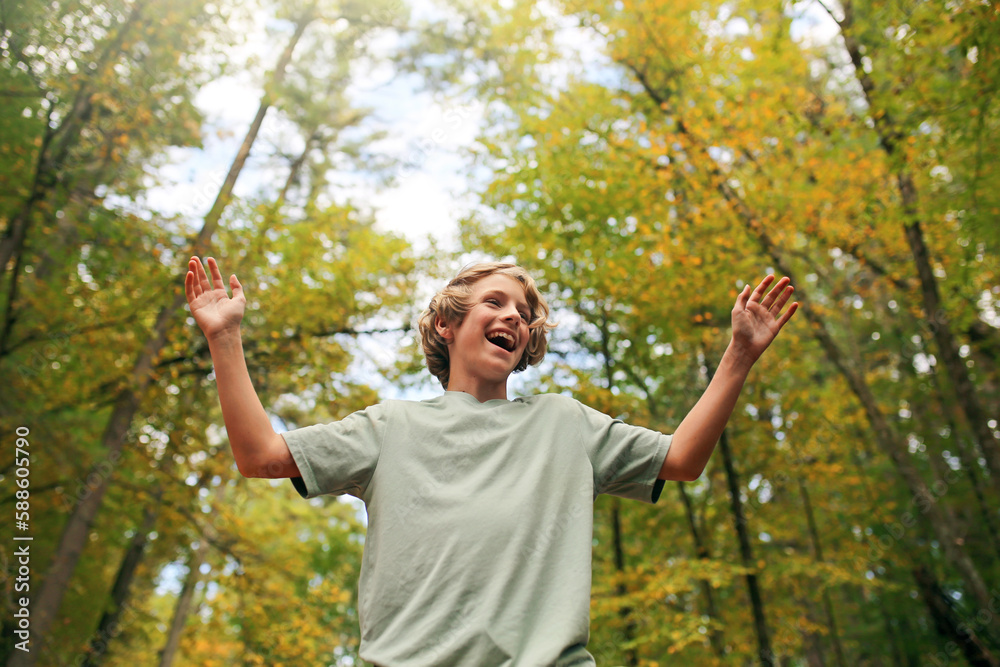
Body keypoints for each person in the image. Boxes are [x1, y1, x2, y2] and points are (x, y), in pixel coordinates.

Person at [184, 255, 797, 665]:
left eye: (525, 316)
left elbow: (683, 459)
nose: (515, 318)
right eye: (495, 303)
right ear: (448, 325)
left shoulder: (564, 424)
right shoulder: (389, 428)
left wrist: (739, 355)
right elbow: (260, 455)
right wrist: (224, 338)